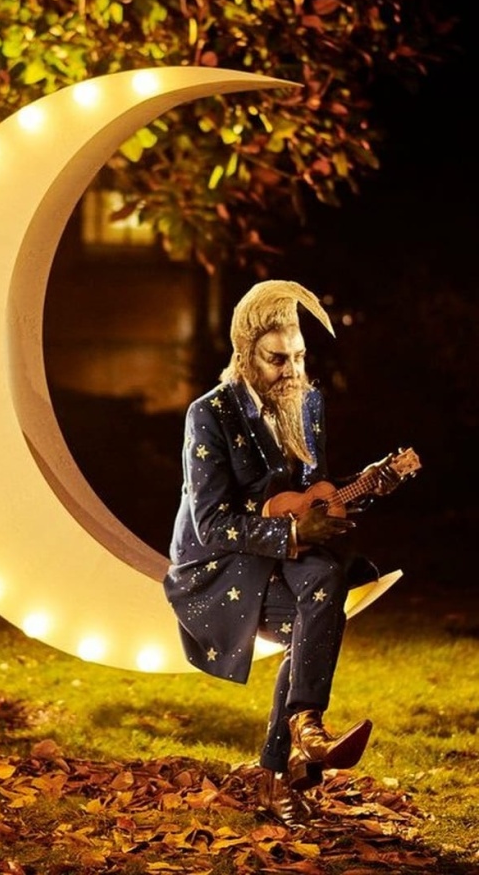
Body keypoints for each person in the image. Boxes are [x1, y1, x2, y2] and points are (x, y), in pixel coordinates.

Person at [163, 279, 400, 826]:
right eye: (277, 359)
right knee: (313, 614)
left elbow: (311, 492)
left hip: (286, 555)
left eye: (299, 356)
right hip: (219, 565)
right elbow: (211, 523)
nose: (292, 370)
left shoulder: (308, 402)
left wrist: (364, 485)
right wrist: (291, 535)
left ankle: (301, 733)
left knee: (324, 584)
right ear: (246, 355)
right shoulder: (210, 414)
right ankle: (289, 759)